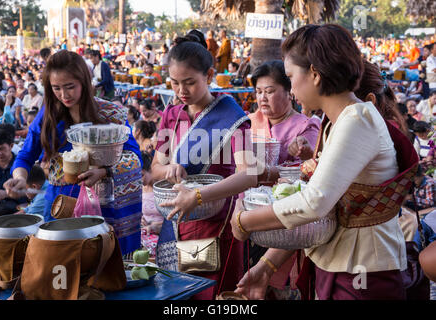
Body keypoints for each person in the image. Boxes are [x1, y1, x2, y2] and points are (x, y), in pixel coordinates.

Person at [231, 24, 418, 300]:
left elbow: (313, 203)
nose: (291, 85)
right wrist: (267, 265)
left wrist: (245, 220)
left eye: (291, 75)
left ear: (315, 75)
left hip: (363, 270)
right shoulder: (339, 122)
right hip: (346, 264)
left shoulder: (356, 121)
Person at [3, 50, 143, 255]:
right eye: (56, 88)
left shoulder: (110, 114)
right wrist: (20, 178)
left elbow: (133, 157)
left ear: (84, 83)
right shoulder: (48, 116)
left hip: (103, 207)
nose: (64, 95)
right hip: (60, 206)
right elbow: (25, 155)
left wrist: (104, 171)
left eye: (70, 87)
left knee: (103, 269)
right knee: (62, 265)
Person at [150, 30, 255, 300]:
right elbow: (155, 170)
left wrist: (197, 196)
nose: (181, 91)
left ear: (209, 76)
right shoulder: (171, 115)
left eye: (190, 83)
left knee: (208, 294)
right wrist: (170, 168)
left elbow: (249, 175)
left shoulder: (233, 115)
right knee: (178, 293)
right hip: (177, 221)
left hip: (213, 224)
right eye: (174, 83)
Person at [249, 60, 320, 164]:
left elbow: (307, 167)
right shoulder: (248, 121)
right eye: (259, 92)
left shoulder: (306, 127)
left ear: (290, 92)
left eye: (269, 91)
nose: (262, 98)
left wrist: (305, 153)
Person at [0, 129, 26, 218]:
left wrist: (6, 194)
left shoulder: (21, 166)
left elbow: (32, 191)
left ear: (11, 146)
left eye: (2, 149)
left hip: (17, 211)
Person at [140, 151, 164, 258]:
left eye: (142, 175)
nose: (140, 179)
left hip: (162, 234)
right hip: (147, 234)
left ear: (150, 170)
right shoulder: (140, 189)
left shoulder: (162, 189)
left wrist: (153, 227)